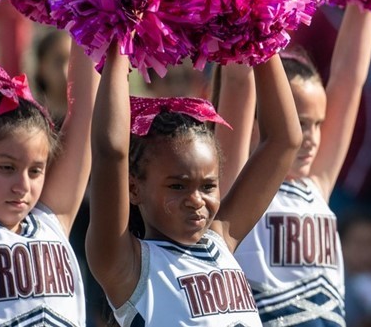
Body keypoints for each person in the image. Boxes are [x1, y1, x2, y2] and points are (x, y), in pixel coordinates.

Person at [87, 45, 302, 326]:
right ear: (133, 188)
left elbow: (284, 141)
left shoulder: (221, 239)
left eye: (208, 186)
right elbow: (110, 152)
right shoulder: (125, 266)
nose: (196, 200)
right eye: (178, 186)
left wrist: (260, 36)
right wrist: (119, 41)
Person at [217, 4, 371, 326]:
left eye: (318, 123)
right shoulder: (237, 186)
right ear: (257, 119)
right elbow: (237, 83)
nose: (312, 138)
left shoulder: (317, 183)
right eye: (301, 123)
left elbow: (349, 78)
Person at [0, 47, 95, 326]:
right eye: (7, 168)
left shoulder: (51, 220)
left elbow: (85, 113)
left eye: (35, 171)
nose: (22, 186)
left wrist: (94, 10)